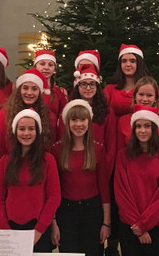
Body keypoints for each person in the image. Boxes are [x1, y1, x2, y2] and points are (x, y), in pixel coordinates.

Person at [0, 109, 61, 252]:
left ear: (37, 132)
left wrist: (39, 230)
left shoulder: (48, 160)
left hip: (38, 230)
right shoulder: (5, 161)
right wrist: (5, 229)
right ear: (15, 132)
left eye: (31, 129)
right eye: (21, 129)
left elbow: (54, 197)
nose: (26, 133)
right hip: (9, 229)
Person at [51, 100, 111, 256]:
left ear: (89, 122)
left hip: (93, 211)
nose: (79, 124)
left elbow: (104, 188)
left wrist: (106, 222)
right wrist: (54, 222)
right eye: (74, 120)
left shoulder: (98, 149)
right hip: (66, 212)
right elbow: (52, 191)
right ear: (67, 122)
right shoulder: (57, 149)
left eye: (83, 119)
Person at [114, 105, 159, 256]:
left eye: (147, 126)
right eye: (138, 126)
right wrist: (138, 226)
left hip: (155, 225)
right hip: (130, 225)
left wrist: (144, 224)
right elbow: (121, 192)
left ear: (155, 129)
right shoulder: (123, 156)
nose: (142, 130)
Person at [0, 68, 56, 159]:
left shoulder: (48, 116)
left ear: (40, 92)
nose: (29, 93)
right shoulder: (5, 113)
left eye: (34, 89)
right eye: (25, 88)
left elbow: (49, 145)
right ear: (19, 90)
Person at [104, 44, 159, 117]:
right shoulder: (109, 90)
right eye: (124, 61)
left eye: (132, 61)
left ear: (139, 64)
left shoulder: (150, 89)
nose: (128, 64)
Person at [62, 64, 114, 149]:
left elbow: (111, 143)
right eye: (84, 84)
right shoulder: (70, 110)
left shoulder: (107, 112)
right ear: (77, 87)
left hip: (100, 158)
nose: (88, 88)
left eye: (92, 84)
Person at [33, 50, 69, 119]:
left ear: (54, 69)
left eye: (50, 65)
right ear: (35, 66)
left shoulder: (60, 92)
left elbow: (64, 118)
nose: (46, 68)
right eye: (42, 64)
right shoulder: (28, 91)